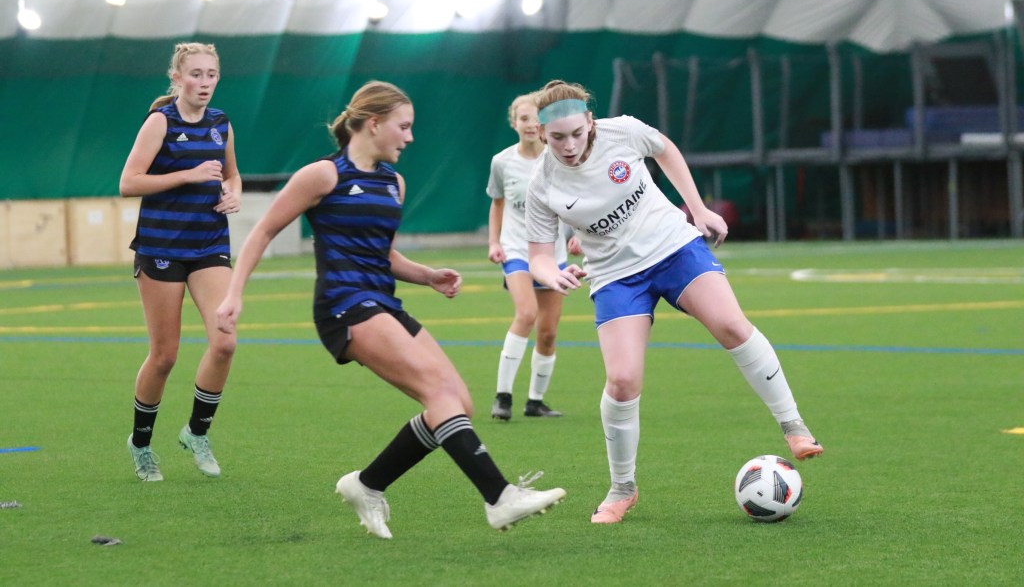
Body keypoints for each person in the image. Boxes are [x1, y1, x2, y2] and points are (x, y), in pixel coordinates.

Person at [214, 80, 565, 539]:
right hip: (343, 305)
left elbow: (385, 255)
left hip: (382, 300)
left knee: (458, 403)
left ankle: (368, 483)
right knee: (439, 395)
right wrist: (234, 293)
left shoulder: (393, 183)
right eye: (404, 126)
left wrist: (427, 275)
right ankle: (499, 497)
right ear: (374, 123)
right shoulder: (324, 175)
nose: (410, 137)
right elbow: (262, 231)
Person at [525, 80, 823, 525]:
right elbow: (538, 257)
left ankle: (793, 426)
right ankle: (622, 488)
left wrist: (697, 208)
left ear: (590, 121)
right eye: (556, 138)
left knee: (731, 325)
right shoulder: (542, 182)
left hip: (673, 248)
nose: (568, 145)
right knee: (622, 381)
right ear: (541, 134)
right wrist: (553, 274)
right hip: (615, 277)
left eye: (576, 133)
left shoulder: (623, 131)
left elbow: (665, 150)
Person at [119, 42, 241, 482]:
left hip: (209, 245)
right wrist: (187, 175)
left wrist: (233, 193)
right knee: (164, 357)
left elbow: (232, 173)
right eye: (196, 74)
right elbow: (128, 182)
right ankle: (141, 444)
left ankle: (196, 432)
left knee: (225, 342)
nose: (204, 83)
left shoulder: (221, 123)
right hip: (162, 248)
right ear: (177, 78)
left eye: (211, 74)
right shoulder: (161, 121)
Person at [486, 93, 581, 420]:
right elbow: (497, 203)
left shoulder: (559, 160)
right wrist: (493, 242)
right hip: (516, 250)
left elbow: (574, 203)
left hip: (552, 254)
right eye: (523, 119)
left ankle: (535, 402)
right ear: (514, 122)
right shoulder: (502, 162)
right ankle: (503, 397)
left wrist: (578, 235)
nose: (529, 125)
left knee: (548, 332)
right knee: (526, 314)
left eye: (535, 119)